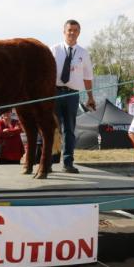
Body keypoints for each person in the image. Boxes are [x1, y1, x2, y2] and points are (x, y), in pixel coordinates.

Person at [51, 20, 95, 174]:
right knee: (52, 128)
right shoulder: (54, 50)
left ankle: (68, 162)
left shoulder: (83, 53)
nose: (72, 33)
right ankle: (49, 162)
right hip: (55, 93)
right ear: (64, 31)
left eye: (75, 30)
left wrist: (90, 97)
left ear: (79, 33)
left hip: (72, 95)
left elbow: (88, 77)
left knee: (69, 129)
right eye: (69, 30)